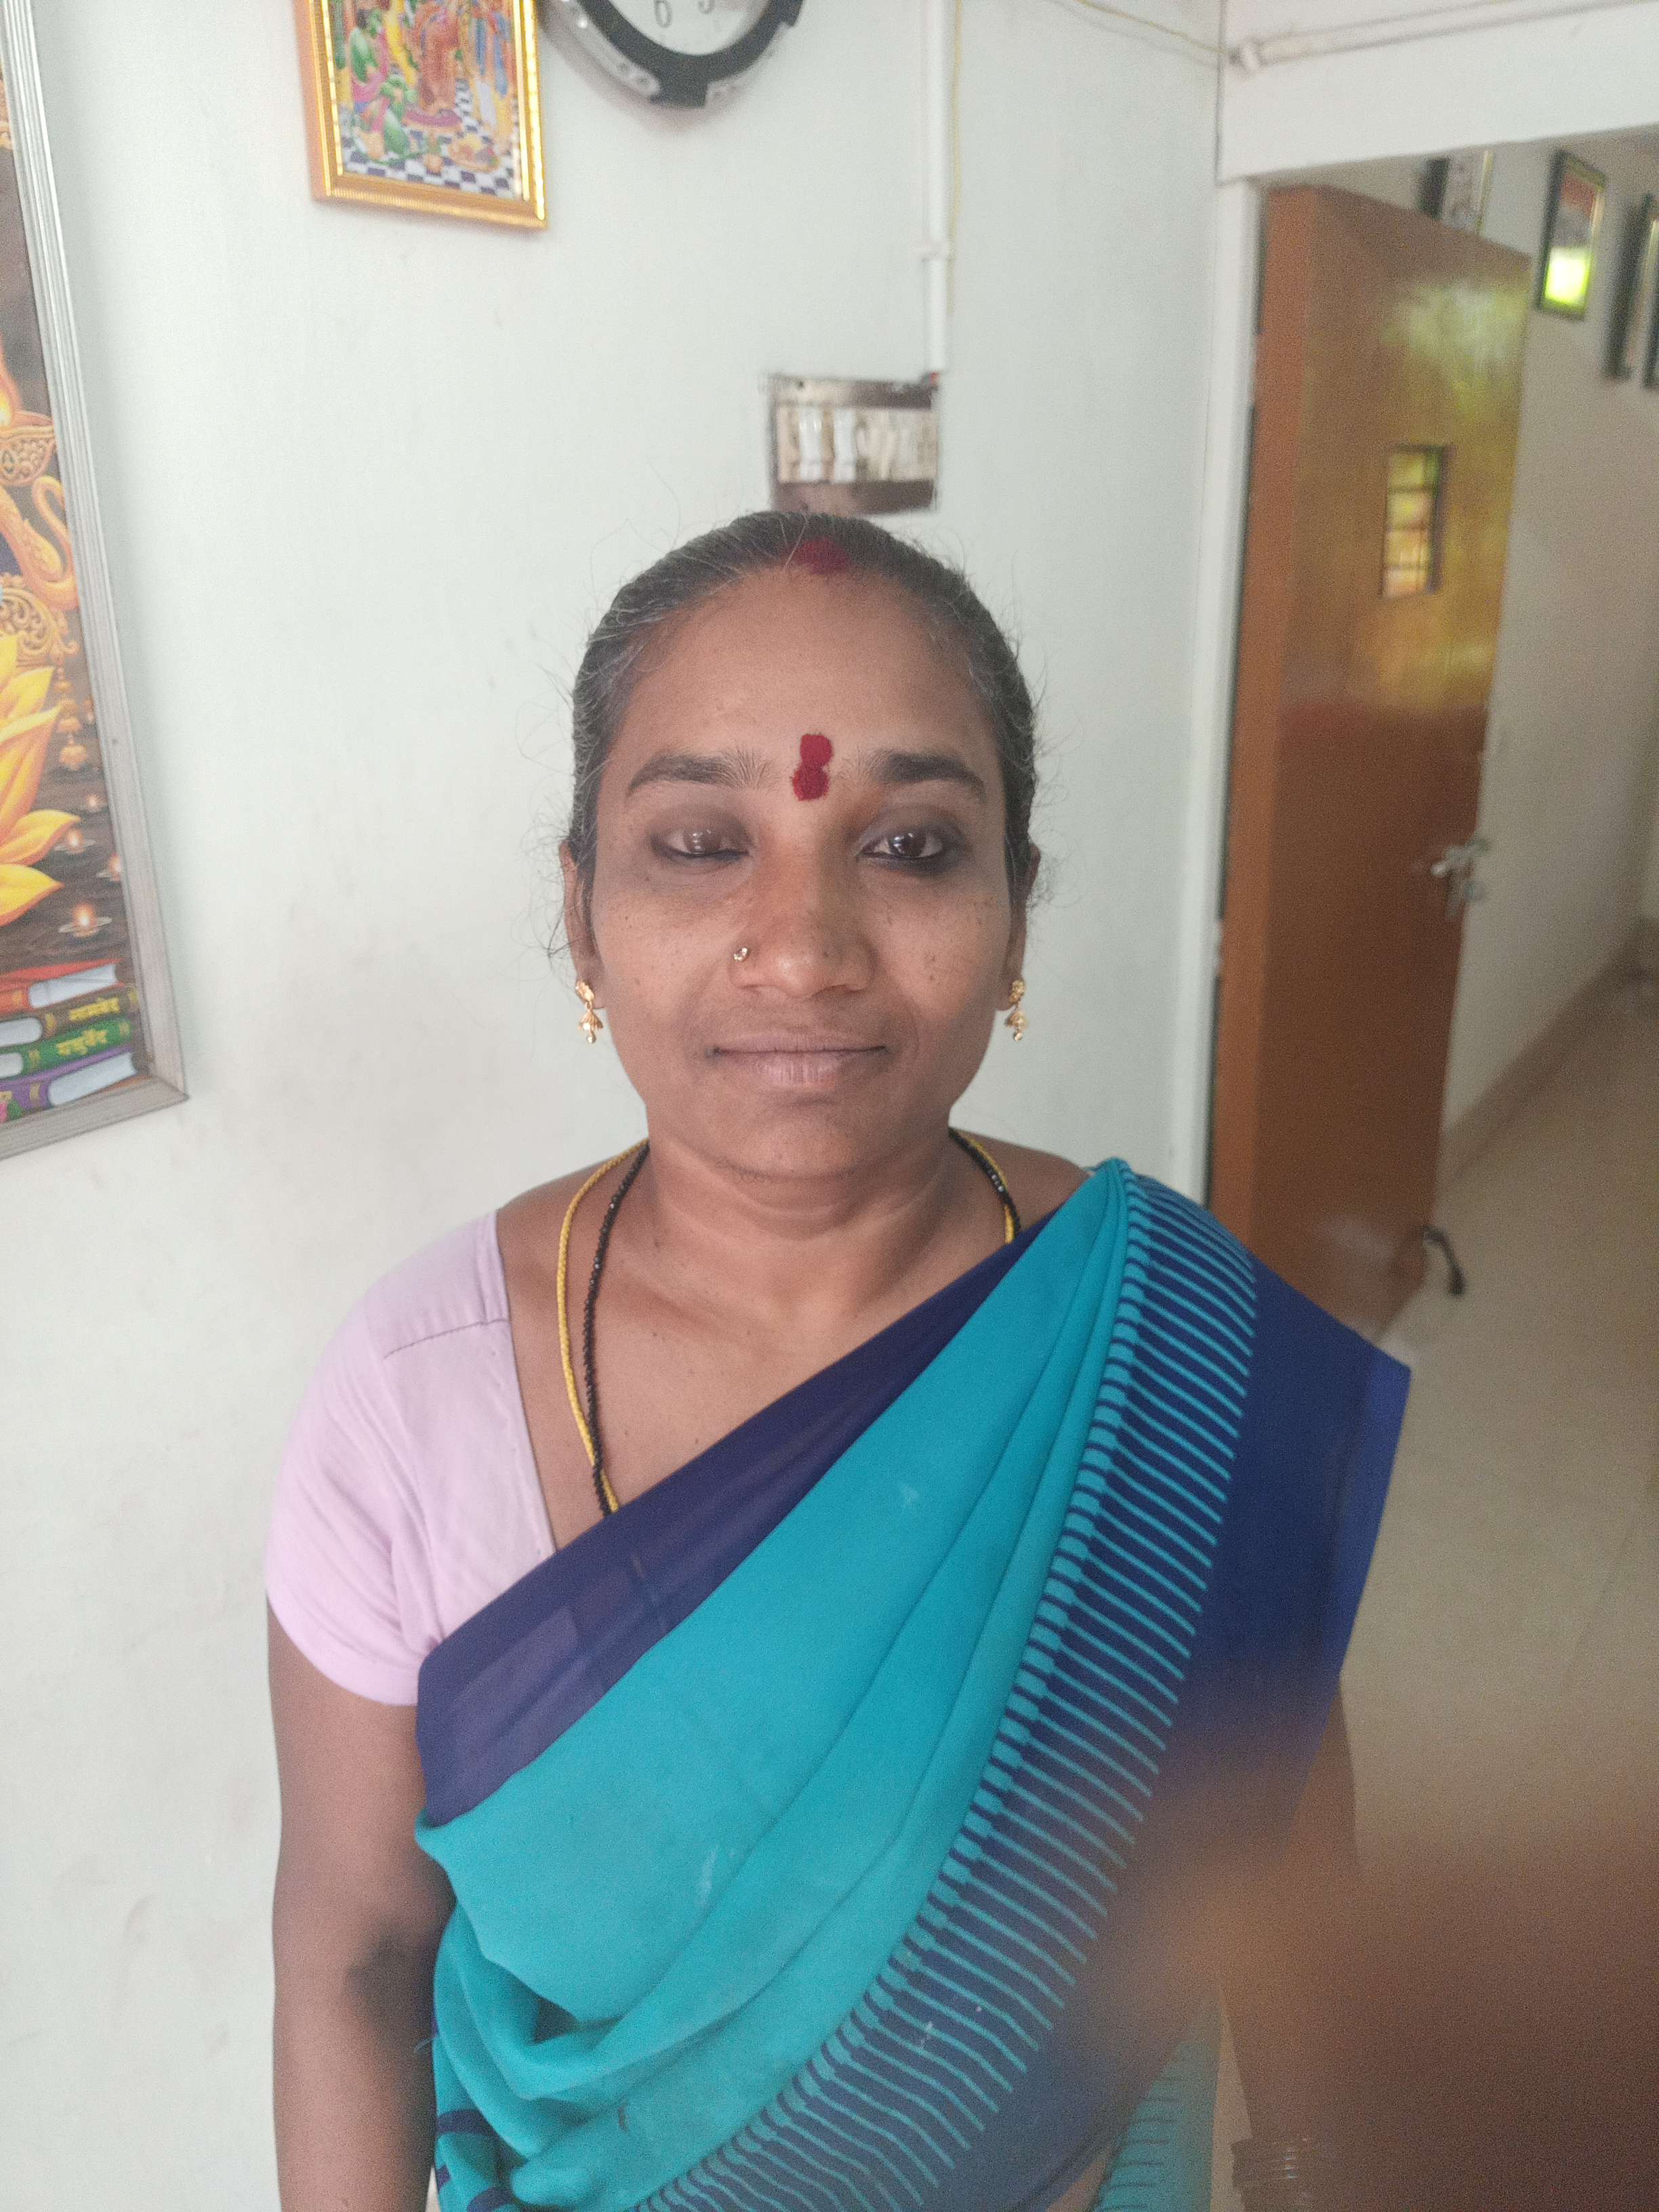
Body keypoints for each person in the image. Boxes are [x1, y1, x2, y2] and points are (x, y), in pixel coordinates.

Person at [267, 512, 1407, 2212]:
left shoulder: (1169, 1337)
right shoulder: (419, 1399)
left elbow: (1279, 1815)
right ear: (580, 914)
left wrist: (1316, 2168)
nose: (803, 950)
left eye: (913, 847)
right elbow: (356, 1957)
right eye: (700, 843)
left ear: (1016, 917)